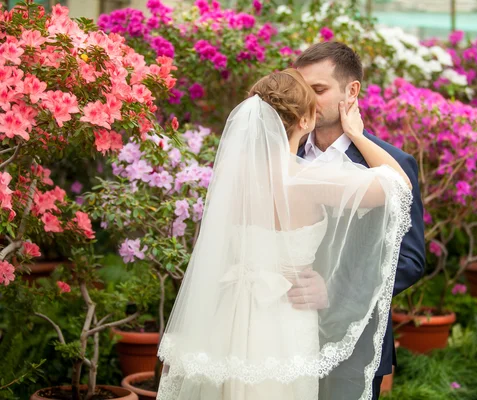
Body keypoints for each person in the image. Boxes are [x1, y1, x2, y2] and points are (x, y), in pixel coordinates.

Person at [156, 68, 413, 400]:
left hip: (228, 313)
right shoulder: (308, 180)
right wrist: (358, 134)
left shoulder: (232, 181)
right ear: (305, 121)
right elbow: (399, 185)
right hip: (286, 316)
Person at [291, 42, 426, 399]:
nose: (307, 100)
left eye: (318, 90)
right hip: (281, 335)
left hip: (354, 347)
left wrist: (333, 293)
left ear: (351, 92)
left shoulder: (389, 167)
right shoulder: (281, 156)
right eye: (302, 89)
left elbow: (411, 261)